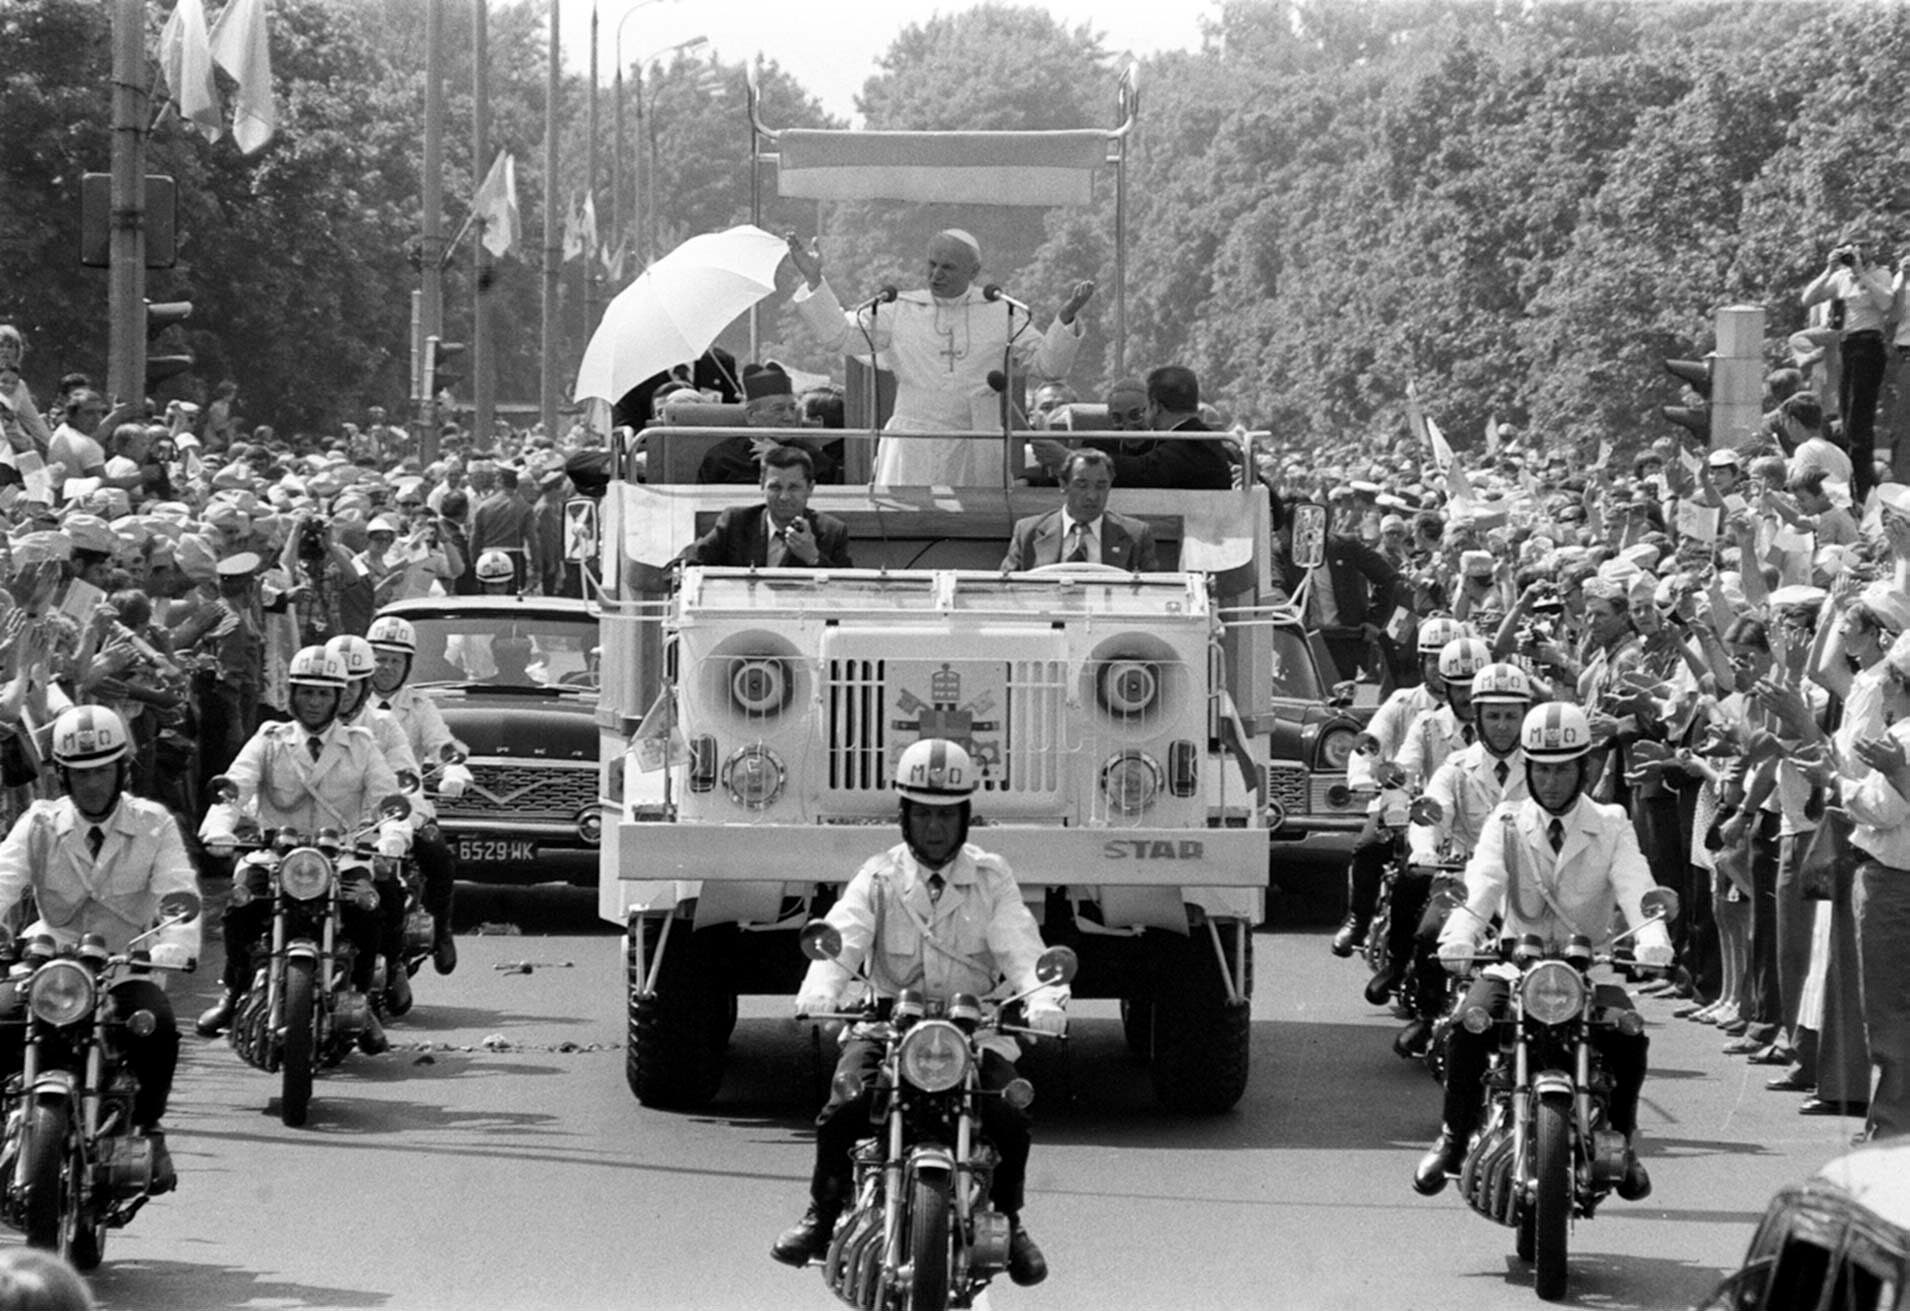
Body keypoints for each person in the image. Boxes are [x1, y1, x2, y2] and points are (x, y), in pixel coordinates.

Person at [770, 738, 1065, 1285]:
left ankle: (1013, 1222)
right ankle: (821, 1216)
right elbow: (845, 933)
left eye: (947, 816)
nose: (935, 828)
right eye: (924, 814)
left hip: (969, 1034)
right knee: (845, 1105)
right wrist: (822, 987)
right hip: (888, 1028)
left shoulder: (990, 876)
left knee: (1009, 1115)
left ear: (965, 818)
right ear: (904, 816)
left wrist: (1043, 997)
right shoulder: (880, 876)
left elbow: (1020, 945)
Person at [1414, 702, 1673, 1199]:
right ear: (1528, 769)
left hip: (1585, 971)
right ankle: (1452, 1138)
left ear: (1585, 768)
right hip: (1516, 966)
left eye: (1563, 769)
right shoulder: (1505, 822)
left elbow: (1636, 884)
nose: (1551, 782)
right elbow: (1483, 883)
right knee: (1468, 1026)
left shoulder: (1613, 822)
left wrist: (1652, 937)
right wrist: (1461, 936)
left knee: (1628, 1037)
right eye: (1542, 770)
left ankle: (1625, 1143)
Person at [0, 706, 199, 1195]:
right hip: (50, 965)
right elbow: (2, 879)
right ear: (63, 776)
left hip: (125, 966)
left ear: (122, 771)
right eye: (80, 773)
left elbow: (180, 895)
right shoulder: (40, 822)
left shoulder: (153, 824)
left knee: (157, 1027)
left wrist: (173, 948)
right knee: (2, 1014)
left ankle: (150, 1128)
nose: (91, 784)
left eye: (102, 771)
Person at [194, 646, 410, 1053]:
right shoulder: (269, 738)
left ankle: (358, 1003)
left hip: (342, 856)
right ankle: (234, 991)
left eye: (324, 694)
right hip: (275, 855)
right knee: (240, 908)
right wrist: (220, 828)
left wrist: (392, 835)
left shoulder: (361, 744)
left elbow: (388, 800)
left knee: (368, 910)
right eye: (307, 693)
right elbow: (234, 789)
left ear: (339, 697)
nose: (314, 703)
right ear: (292, 695)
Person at [785, 228, 1093, 486]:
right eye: (932, 264)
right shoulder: (901, 308)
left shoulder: (1000, 311)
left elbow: (1048, 366)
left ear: (973, 272)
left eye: (948, 267)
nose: (936, 274)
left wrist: (1064, 320)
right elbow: (839, 336)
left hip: (974, 441)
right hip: (912, 442)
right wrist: (815, 281)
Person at [367, 614, 468, 975]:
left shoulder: (420, 706)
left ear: (409, 664)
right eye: (379, 658)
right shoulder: (348, 701)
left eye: (396, 660)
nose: (387, 667)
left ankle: (441, 931)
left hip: (407, 805)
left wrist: (453, 767)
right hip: (356, 809)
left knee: (437, 855)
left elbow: (442, 743)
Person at [1802, 240, 1893, 502]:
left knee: (1859, 421)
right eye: (1850, 250)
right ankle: (1852, 479)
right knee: (1846, 416)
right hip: (1847, 344)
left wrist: (1862, 274)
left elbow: (1886, 303)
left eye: (1860, 249)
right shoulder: (1841, 278)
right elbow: (1808, 298)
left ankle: (1862, 487)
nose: (1854, 255)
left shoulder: (1880, 273)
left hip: (1869, 343)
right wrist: (1828, 270)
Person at [679, 445, 852, 569]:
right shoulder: (736, 522)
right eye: (775, 487)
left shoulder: (831, 531)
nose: (784, 497)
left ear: (810, 488)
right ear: (762, 485)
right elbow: (684, 563)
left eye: (794, 488)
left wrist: (814, 558)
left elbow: (849, 592)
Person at [1000, 447, 1158, 571]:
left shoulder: (1136, 535)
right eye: (1082, 485)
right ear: (1063, 485)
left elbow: (1152, 595)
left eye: (1101, 486)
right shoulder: (1027, 532)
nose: (1092, 496)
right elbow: (1005, 591)